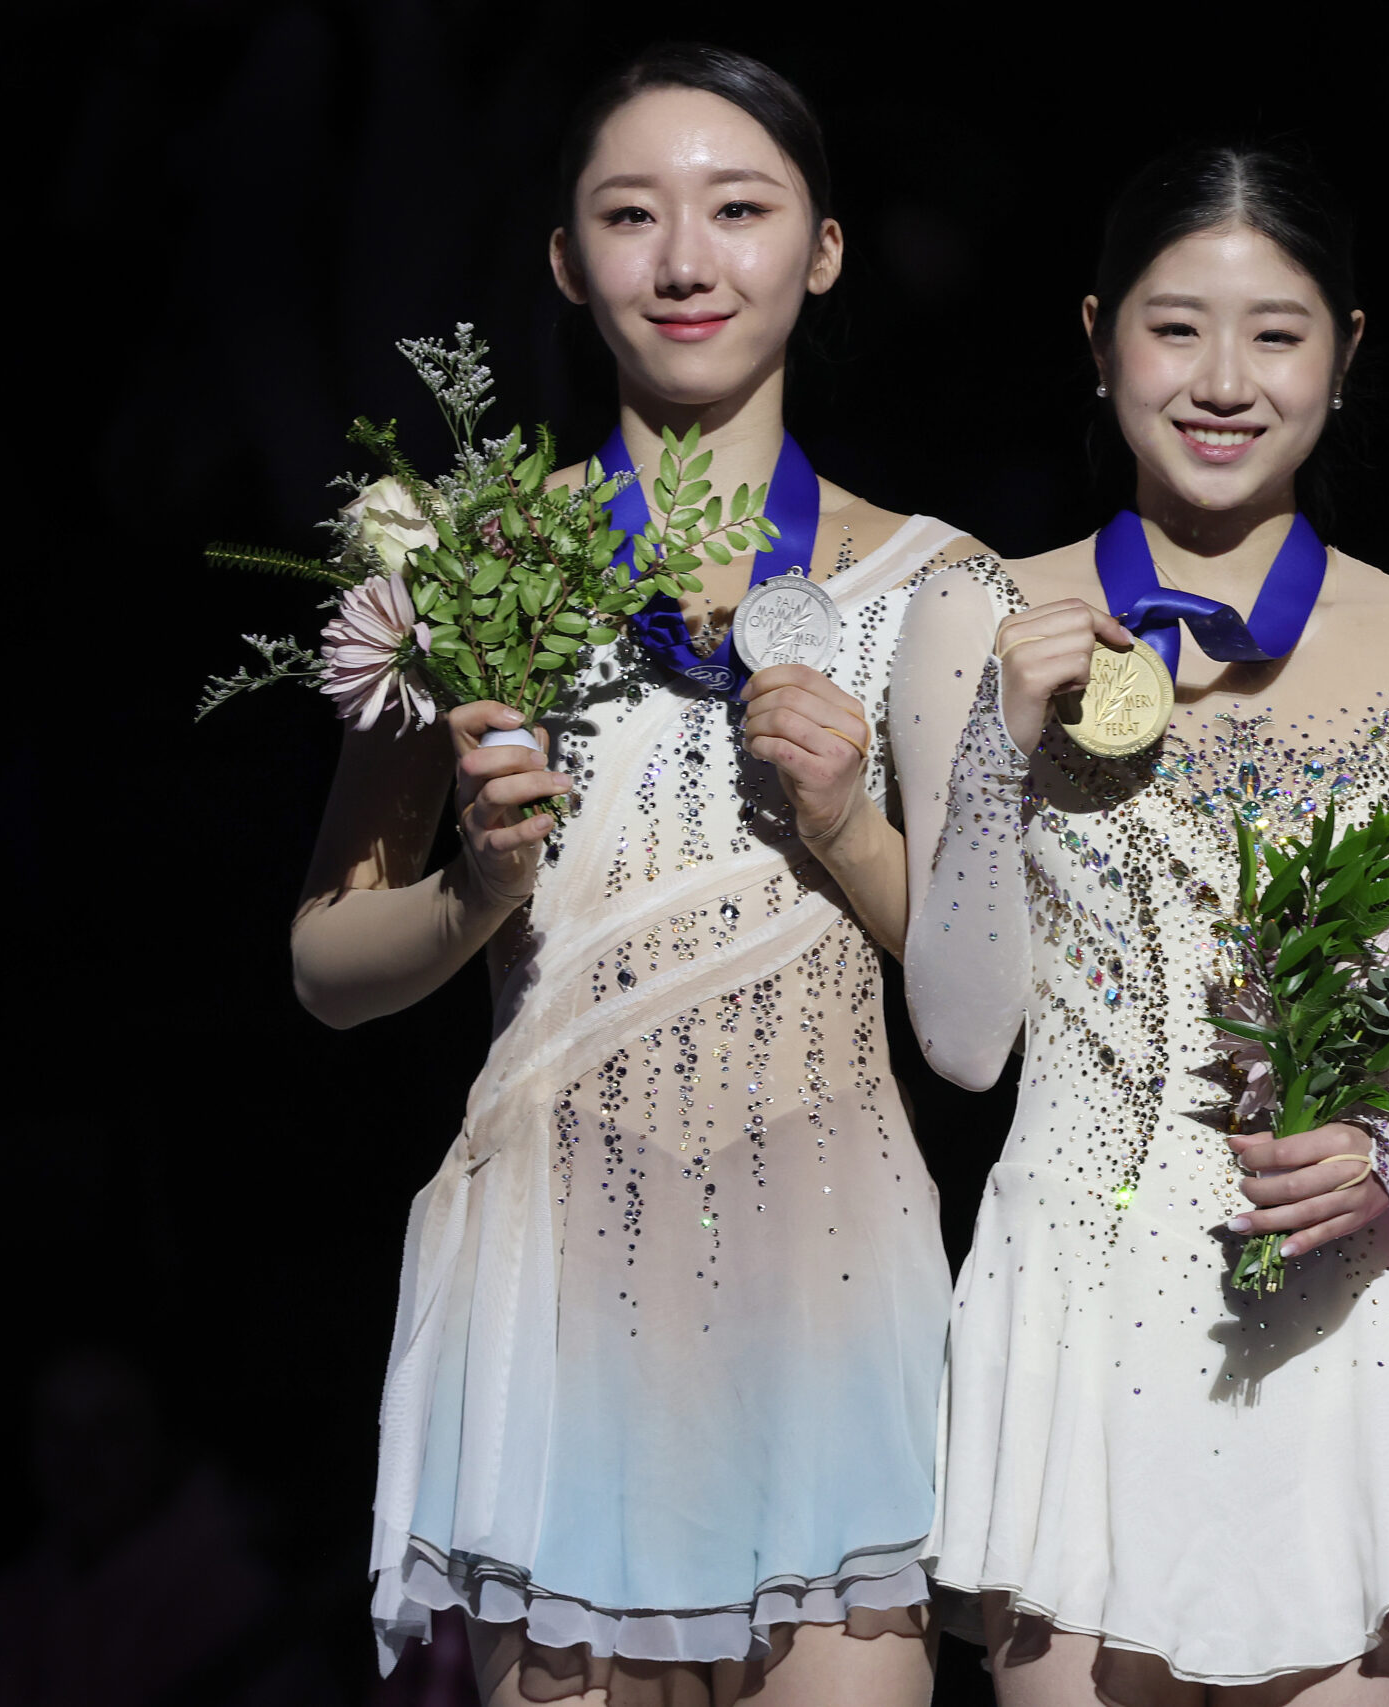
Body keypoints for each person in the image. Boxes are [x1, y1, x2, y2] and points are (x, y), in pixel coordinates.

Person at [293, 42, 989, 1707]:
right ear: (564, 259)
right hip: (557, 1292)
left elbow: (981, 1003)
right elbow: (327, 965)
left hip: (828, 1294)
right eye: (632, 214)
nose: (687, 260)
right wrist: (474, 889)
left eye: (740, 209)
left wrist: (847, 829)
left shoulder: (936, 578)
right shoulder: (462, 564)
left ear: (821, 250)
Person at [888, 143, 1389, 1704]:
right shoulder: (975, 612)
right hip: (1075, 1300)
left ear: (1349, 350)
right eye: (1178, 327)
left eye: (1278, 331)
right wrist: (997, 745)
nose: (1224, 379)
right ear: (1101, 334)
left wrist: (1378, 1150)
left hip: (1341, 1308)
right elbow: (967, 1044)